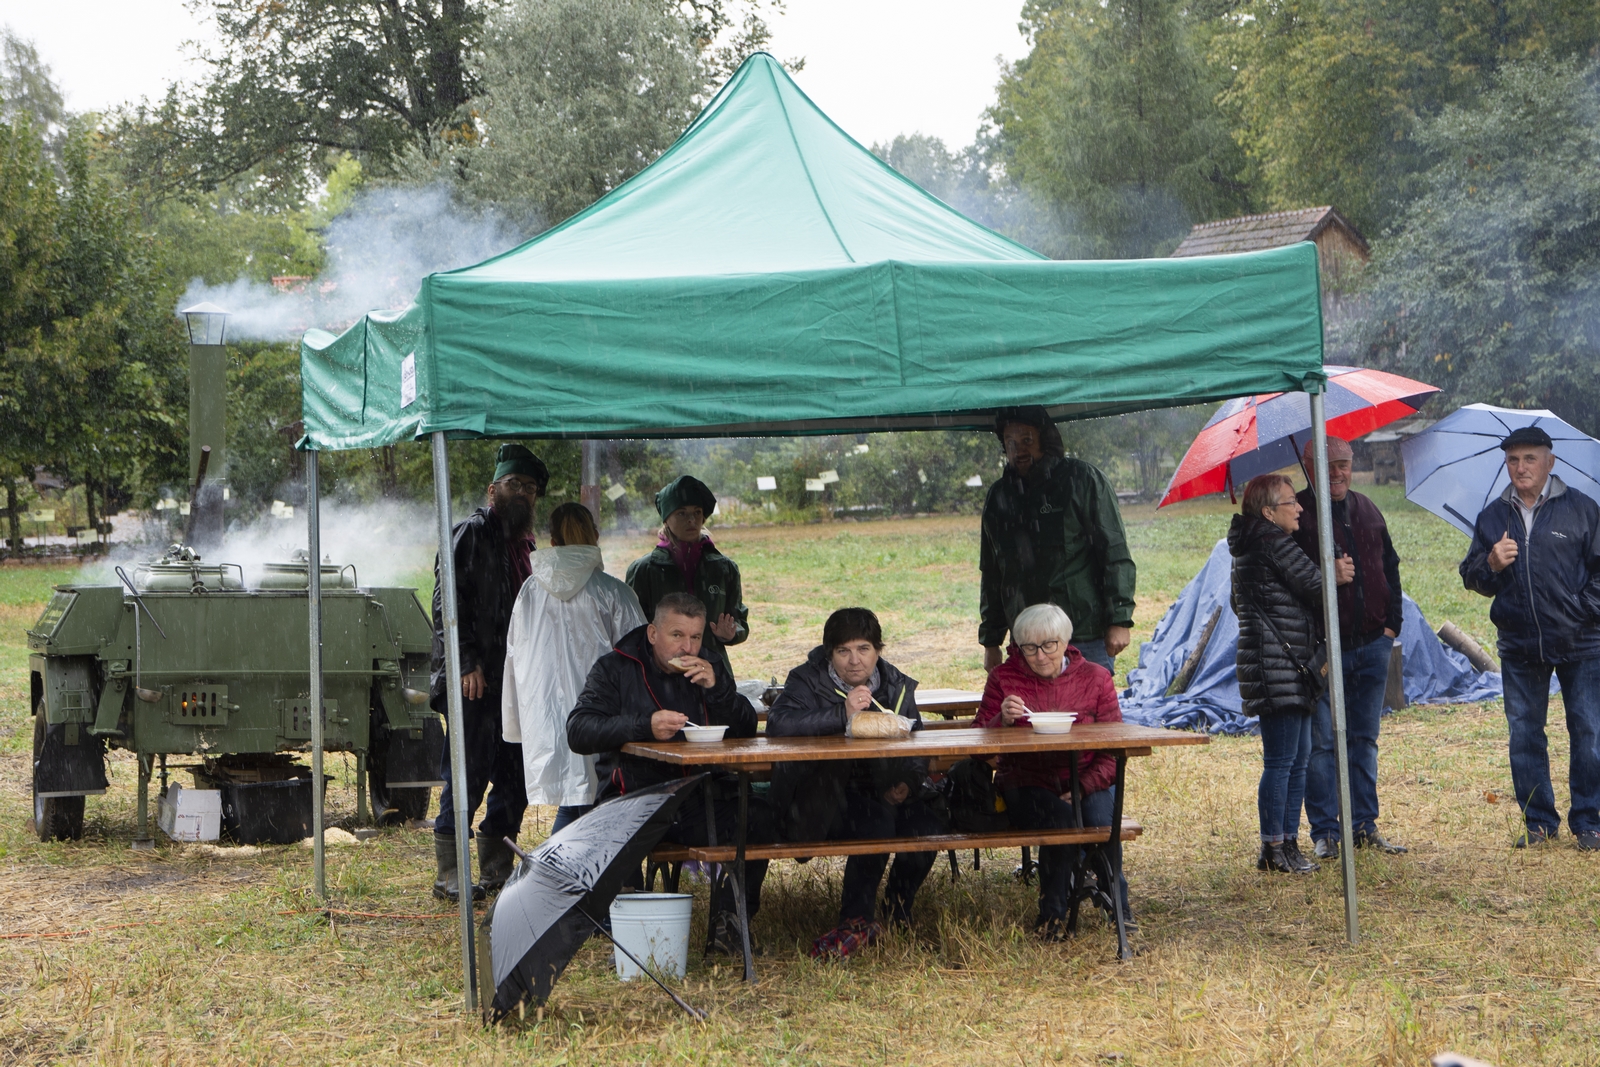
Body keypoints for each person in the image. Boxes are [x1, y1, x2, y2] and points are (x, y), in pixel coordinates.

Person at [567, 592, 775, 952]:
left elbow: (744, 728)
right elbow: (579, 730)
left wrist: (718, 690)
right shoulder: (616, 667)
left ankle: (730, 921)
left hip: (700, 796)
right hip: (634, 798)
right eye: (677, 635)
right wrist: (643, 725)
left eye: (695, 637)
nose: (687, 647)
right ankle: (628, 926)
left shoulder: (708, 664)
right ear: (652, 633)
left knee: (757, 817)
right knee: (619, 839)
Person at [766, 607, 946, 957]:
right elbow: (778, 724)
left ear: (878, 650)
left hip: (883, 788)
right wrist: (843, 713)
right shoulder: (807, 680)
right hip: (821, 795)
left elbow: (917, 741)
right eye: (843, 651)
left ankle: (898, 909)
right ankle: (856, 919)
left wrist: (909, 782)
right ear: (829, 654)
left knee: (927, 827)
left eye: (864, 649)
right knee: (876, 824)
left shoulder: (895, 683)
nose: (854, 660)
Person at [1460, 425, 1600, 851]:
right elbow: (1471, 577)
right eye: (1513, 460)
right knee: (1524, 735)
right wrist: (1491, 563)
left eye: (1529, 459)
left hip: (1581, 643)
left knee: (1589, 731)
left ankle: (1590, 822)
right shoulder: (1492, 517)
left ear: (1550, 462)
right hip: (1520, 646)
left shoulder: (1582, 509)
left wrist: (1580, 610)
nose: (1520, 467)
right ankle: (1539, 823)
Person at [430, 444, 547, 901]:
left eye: (530, 488)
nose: (522, 493)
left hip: (515, 684)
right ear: (492, 489)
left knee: (516, 775)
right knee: (468, 774)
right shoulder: (471, 533)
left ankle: (497, 869)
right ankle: (450, 874)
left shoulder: (526, 546)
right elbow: (447, 602)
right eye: (514, 484)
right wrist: (467, 663)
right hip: (473, 681)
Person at [974, 602, 1128, 941]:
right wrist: (1002, 720)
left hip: (1086, 775)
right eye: (1029, 648)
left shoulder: (1096, 678)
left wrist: (1084, 786)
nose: (1040, 656)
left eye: (1048, 646)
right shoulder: (1004, 678)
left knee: (1102, 821)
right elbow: (978, 744)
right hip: (1026, 780)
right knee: (1061, 821)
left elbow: (1114, 750)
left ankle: (1118, 906)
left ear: (1066, 641)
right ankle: (1052, 915)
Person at [1292, 436, 1407, 859]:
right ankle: (1325, 832)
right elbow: (1286, 578)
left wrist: (1392, 625)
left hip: (1373, 644)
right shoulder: (1298, 515)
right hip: (1323, 649)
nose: (1336, 473)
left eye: (1342, 463)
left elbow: (1390, 567)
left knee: (1364, 740)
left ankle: (1363, 825)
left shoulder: (1368, 509)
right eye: (1326, 465)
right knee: (1322, 743)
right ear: (1308, 466)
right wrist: (1327, 571)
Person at [501, 503, 645, 836]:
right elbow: (640, 658)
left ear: (552, 542)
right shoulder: (612, 592)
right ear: (596, 536)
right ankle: (561, 864)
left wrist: (519, 718)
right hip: (601, 715)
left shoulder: (529, 592)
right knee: (596, 798)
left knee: (578, 800)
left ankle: (556, 864)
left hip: (548, 711)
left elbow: (514, 657)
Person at [1231, 473, 1349, 875]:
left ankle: (1287, 845)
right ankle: (1274, 848)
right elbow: (1316, 585)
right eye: (1290, 502)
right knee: (1284, 762)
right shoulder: (1272, 542)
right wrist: (1334, 570)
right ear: (1268, 512)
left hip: (1281, 666)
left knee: (1295, 761)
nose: (1299, 507)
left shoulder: (1250, 547)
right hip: (1278, 667)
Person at [979, 406, 1136, 677]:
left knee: (1089, 704)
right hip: (1027, 639)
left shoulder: (1083, 480)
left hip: (1082, 633)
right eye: (1010, 443)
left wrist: (1120, 620)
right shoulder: (999, 496)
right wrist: (991, 641)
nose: (1019, 450)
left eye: (1027, 440)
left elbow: (1114, 554)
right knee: (1030, 705)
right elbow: (992, 573)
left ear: (1045, 439)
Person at [627, 475, 749, 676]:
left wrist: (731, 633)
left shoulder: (724, 569)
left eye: (697, 512)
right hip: (660, 676)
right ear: (666, 518)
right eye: (682, 513)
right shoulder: (644, 570)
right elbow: (632, 630)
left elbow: (739, 622)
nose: (691, 520)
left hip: (711, 675)